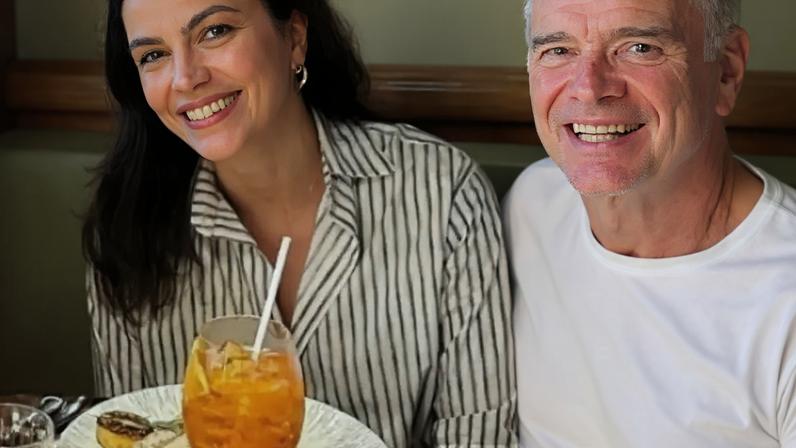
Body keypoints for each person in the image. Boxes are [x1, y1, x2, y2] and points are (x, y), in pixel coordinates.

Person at [83, 0, 517, 446]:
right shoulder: (127, 231)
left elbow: (477, 438)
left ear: (294, 38)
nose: (185, 77)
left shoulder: (441, 193)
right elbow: (130, 433)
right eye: (153, 55)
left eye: (214, 32)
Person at [504, 0, 796, 446]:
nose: (589, 88)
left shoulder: (784, 293)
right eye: (558, 51)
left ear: (726, 71)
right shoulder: (531, 205)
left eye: (639, 47)